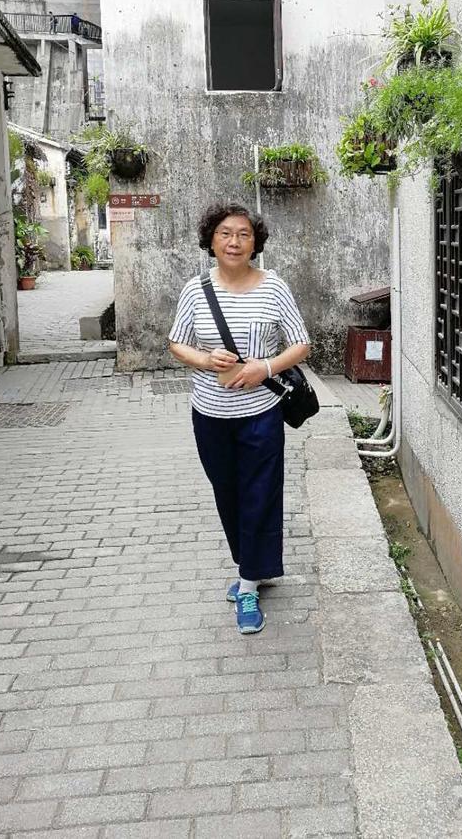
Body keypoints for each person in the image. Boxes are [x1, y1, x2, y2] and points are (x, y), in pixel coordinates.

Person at [169, 203, 310, 634]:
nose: (234, 242)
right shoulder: (195, 290)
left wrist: (264, 368)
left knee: (259, 494)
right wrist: (205, 359)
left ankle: (248, 585)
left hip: (260, 414)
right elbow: (177, 343)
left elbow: (300, 343)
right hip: (209, 415)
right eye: (226, 233)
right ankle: (252, 564)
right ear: (211, 240)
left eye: (244, 234)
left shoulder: (274, 288)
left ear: (255, 243)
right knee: (227, 494)